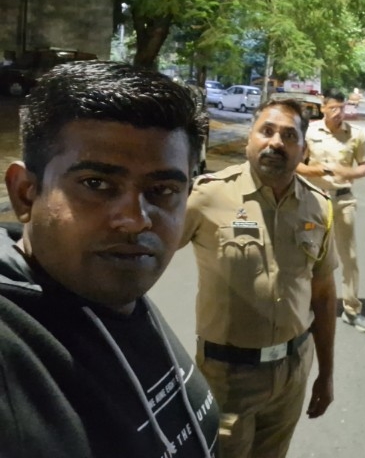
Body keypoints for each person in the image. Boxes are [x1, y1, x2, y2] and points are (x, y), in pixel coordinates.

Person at [0, 61, 219, 458]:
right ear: (26, 193)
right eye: (96, 184)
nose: (136, 219)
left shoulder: (112, 290)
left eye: (162, 189)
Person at [182, 98, 337, 458]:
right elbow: (147, 259)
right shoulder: (207, 196)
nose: (276, 142)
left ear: (303, 149)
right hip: (227, 376)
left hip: (292, 372)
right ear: (249, 138)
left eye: (289, 135)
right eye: (267, 131)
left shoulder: (318, 205)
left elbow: (324, 294)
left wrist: (326, 374)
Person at [296, 90, 365, 332]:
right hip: (313, 201)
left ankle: (352, 309)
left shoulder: (355, 135)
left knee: (349, 257)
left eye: (342, 107)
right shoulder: (309, 132)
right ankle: (305, 307)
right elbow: (297, 165)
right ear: (323, 108)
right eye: (333, 108)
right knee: (308, 255)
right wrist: (316, 170)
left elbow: (364, 167)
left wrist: (349, 172)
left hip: (343, 201)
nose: (339, 112)